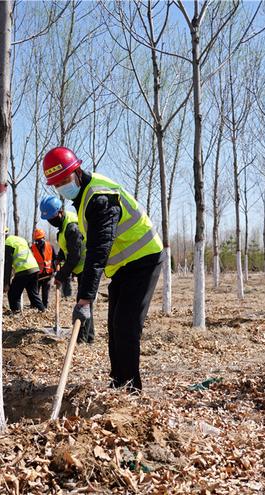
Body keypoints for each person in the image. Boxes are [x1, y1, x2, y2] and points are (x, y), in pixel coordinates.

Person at [41, 147, 163, 390]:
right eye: (58, 184)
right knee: (114, 326)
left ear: (77, 171)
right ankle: (117, 383)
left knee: (126, 325)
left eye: (66, 180)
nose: (63, 186)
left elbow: (98, 251)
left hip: (144, 258)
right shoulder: (83, 197)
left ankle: (130, 389)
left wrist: (85, 299)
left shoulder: (99, 198)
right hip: (123, 267)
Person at [40, 195, 94, 344]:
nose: (51, 221)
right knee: (85, 302)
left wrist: (61, 276)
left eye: (52, 217)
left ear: (60, 212)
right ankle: (88, 337)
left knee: (82, 304)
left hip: (87, 266)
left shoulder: (71, 226)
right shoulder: (63, 226)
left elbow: (75, 255)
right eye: (48, 219)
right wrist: (59, 257)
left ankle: (83, 340)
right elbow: (68, 248)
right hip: (81, 267)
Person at [4, 230, 45, 313]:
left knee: (13, 294)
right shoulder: (20, 239)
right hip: (34, 268)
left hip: (23, 270)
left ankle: (16, 313)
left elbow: (7, 265)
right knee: (33, 294)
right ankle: (42, 311)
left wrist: (6, 283)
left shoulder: (7, 243)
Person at [30, 228, 55, 308]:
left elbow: (55, 259)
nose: (38, 242)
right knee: (35, 292)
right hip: (37, 274)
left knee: (46, 293)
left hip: (48, 274)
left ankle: (45, 307)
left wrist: (56, 269)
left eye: (40, 239)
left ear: (44, 238)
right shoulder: (32, 248)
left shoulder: (50, 246)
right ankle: (34, 306)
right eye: (37, 240)